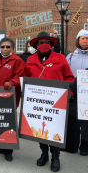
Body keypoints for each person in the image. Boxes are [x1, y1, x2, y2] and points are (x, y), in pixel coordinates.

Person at [26, 31, 74, 172]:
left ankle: (55, 156)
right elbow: (26, 77)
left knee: (54, 129)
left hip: (56, 100)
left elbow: (69, 77)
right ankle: (44, 153)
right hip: (38, 101)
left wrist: (69, 92)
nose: (44, 45)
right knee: (40, 128)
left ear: (51, 44)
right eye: (41, 42)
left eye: (47, 42)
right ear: (36, 45)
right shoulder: (30, 60)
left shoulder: (60, 58)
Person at [0, 38, 26, 162]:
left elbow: (21, 76)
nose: (5, 49)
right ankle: (1, 144)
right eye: (3, 46)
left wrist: (12, 82)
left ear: (12, 48)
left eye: (8, 47)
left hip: (9, 96)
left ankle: (8, 150)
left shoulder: (17, 60)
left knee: (9, 123)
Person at [65, 29, 88, 155]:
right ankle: (72, 144)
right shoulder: (71, 56)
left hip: (87, 93)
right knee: (73, 118)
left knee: (86, 120)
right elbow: (66, 73)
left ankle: (84, 145)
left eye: (87, 39)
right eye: (82, 39)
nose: (85, 41)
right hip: (74, 91)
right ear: (78, 40)